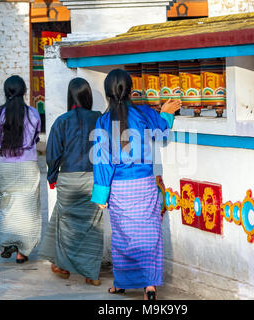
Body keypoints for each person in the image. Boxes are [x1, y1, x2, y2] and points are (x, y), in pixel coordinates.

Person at [90, 69, 181, 300]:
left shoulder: (102, 121)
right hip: (145, 184)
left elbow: (102, 161)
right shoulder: (143, 113)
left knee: (122, 237)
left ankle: (121, 283)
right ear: (130, 90)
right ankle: (150, 287)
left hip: (119, 189)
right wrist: (166, 113)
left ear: (108, 93)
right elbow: (161, 129)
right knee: (149, 234)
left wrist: (101, 195)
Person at [38, 77, 104, 286]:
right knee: (93, 226)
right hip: (94, 179)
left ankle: (63, 266)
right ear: (88, 96)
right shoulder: (99, 118)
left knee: (66, 225)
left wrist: (51, 177)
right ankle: (91, 274)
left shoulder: (62, 121)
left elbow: (53, 154)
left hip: (68, 179)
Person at [0, 75, 42, 264]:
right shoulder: (33, 114)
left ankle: (7, 242)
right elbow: (36, 138)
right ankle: (22, 251)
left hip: (4, 165)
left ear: (5, 92)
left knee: (7, 204)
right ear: (25, 92)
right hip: (27, 165)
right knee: (28, 208)